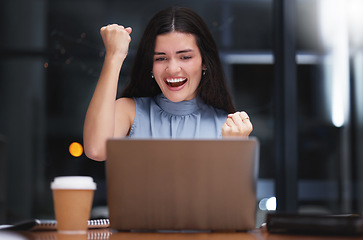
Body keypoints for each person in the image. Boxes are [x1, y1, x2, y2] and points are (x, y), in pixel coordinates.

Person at [83, 6, 253, 161]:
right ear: (150, 65)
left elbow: (229, 193)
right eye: (161, 58)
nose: (172, 69)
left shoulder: (228, 127)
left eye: (185, 57)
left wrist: (235, 151)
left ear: (204, 62)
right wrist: (114, 56)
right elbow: (96, 150)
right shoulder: (129, 112)